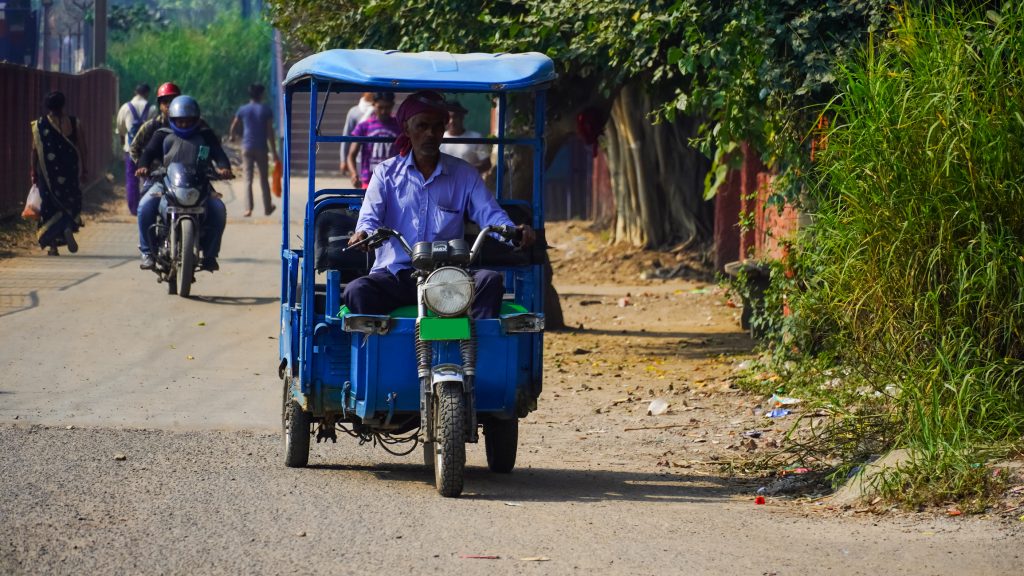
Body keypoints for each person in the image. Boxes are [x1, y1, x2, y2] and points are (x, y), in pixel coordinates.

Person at [343, 90, 535, 319]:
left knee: (490, 281)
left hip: (449, 278)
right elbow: (370, 216)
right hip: (396, 275)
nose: (430, 134)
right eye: (422, 126)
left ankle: (477, 352)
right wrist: (363, 233)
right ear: (406, 128)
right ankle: (376, 351)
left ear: (444, 129)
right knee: (357, 291)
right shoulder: (385, 173)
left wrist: (514, 232)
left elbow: (490, 214)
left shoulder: (463, 174)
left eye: (436, 127)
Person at [135, 95, 232, 271]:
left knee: (218, 209)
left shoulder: (205, 136)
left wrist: (224, 168)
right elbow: (147, 153)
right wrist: (143, 166)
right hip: (165, 183)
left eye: (188, 121)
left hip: (200, 184)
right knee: (144, 206)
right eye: (180, 121)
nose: (184, 125)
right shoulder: (162, 135)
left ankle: (210, 255)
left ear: (196, 119)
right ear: (172, 119)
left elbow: (219, 155)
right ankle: (148, 252)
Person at [30, 91, 87, 256]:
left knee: (49, 207)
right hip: (70, 171)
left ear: (47, 107)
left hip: (48, 175)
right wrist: (85, 169)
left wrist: (32, 170)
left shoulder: (40, 125)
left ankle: (53, 246)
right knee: (69, 201)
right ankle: (67, 226)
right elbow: (83, 148)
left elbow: (34, 150)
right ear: (63, 105)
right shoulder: (75, 123)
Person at [229, 83, 278, 217]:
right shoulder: (266, 110)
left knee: (248, 179)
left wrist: (232, 137)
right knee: (263, 179)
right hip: (261, 148)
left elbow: (234, 125)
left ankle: (248, 209)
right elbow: (270, 133)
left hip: (247, 147)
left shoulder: (243, 109)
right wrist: (274, 152)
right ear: (261, 95)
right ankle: (267, 207)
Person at [115, 83, 157, 215]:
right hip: (147, 150)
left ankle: (134, 209)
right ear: (147, 93)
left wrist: (123, 143)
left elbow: (121, 129)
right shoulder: (152, 109)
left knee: (132, 179)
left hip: (130, 149)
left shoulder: (125, 108)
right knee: (148, 178)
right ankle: (148, 206)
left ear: (135, 92)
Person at [346, 92, 399, 189]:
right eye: (380, 107)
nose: (383, 111)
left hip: (394, 182)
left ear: (392, 105)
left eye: (387, 107)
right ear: (373, 104)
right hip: (369, 182)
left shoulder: (399, 126)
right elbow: (351, 155)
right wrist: (354, 174)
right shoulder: (364, 126)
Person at [440, 101, 491, 173]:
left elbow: (486, 164)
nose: (452, 121)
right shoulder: (439, 138)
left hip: (469, 183)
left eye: (455, 117)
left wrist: (465, 170)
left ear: (462, 117)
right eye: (448, 117)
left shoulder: (476, 138)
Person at [340, 92, 374, 176]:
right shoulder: (354, 112)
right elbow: (347, 135)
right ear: (363, 93)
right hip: (359, 158)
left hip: (377, 156)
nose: (372, 92)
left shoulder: (381, 110)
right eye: (369, 90)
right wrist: (343, 159)